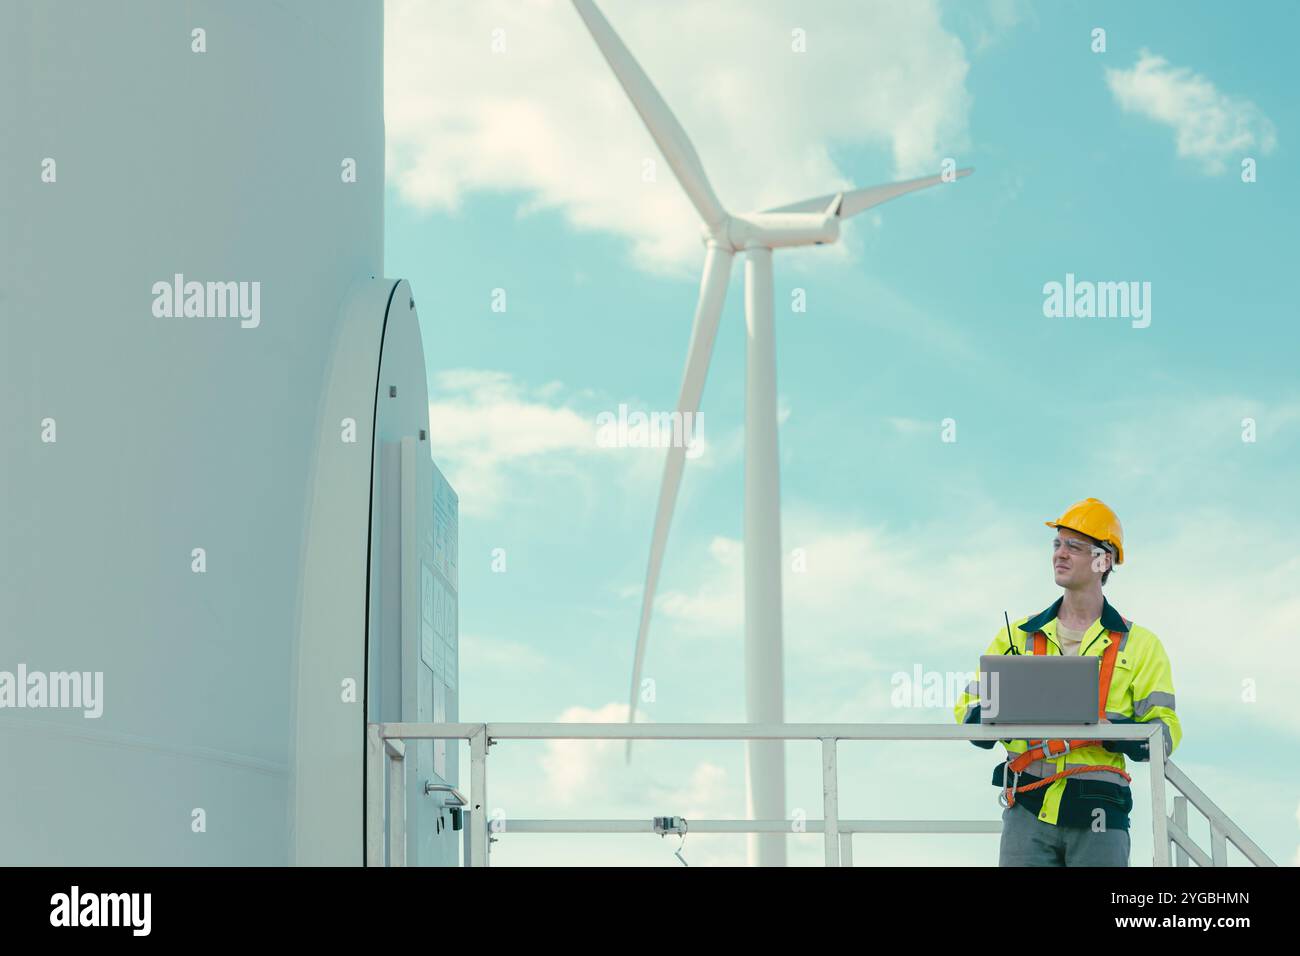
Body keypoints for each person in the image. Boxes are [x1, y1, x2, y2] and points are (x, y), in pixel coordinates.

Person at [953, 498, 1180, 866]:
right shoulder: (1016, 635)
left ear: (1103, 561)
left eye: (1073, 546)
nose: (1060, 554)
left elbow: (1164, 733)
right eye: (1057, 544)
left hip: (1100, 808)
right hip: (1027, 803)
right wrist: (993, 716)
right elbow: (968, 713)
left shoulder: (1142, 646)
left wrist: (1114, 729)